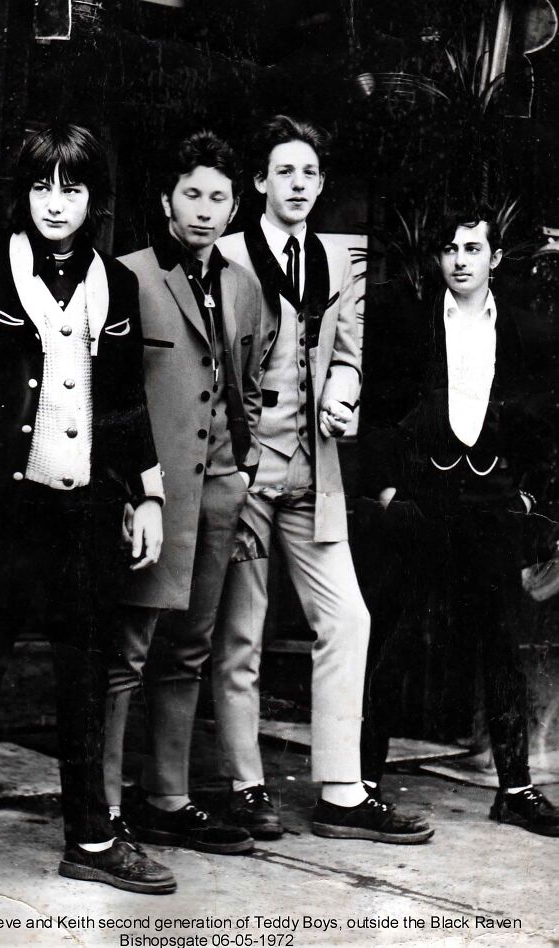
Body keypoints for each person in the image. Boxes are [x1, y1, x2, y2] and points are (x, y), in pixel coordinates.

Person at [0, 123, 177, 914]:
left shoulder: (116, 286)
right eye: (42, 187)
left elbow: (126, 403)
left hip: (84, 511)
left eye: (74, 188)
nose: (57, 204)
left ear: (96, 198)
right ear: (22, 195)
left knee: (85, 677)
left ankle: (92, 840)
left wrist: (147, 495)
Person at [214, 115, 432, 843]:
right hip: (246, 474)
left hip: (316, 475)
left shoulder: (337, 261)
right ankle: (246, 787)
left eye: (309, 174)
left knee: (349, 618)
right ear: (259, 183)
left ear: (321, 183)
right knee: (240, 636)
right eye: (285, 172)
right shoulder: (226, 256)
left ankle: (341, 790)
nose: (299, 185)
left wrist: (344, 386)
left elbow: (347, 350)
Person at [360, 205, 559, 837]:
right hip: (425, 501)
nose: (460, 260)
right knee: (390, 636)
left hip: (491, 505)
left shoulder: (531, 331)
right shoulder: (410, 325)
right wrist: (389, 490)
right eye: (449, 250)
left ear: (494, 258)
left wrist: (529, 498)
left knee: (500, 642)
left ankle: (516, 788)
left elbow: (546, 426)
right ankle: (363, 779)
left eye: (473, 249)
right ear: (438, 258)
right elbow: (382, 407)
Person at [103, 131, 262, 859]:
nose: (204, 210)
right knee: (127, 650)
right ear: (167, 200)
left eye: (218, 197)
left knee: (191, 649)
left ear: (236, 205)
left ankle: (168, 796)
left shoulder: (242, 281)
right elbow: (110, 401)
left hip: (219, 494)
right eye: (192, 194)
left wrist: (245, 474)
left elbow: (248, 389)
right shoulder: (127, 275)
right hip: (149, 499)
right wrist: (131, 493)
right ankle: (102, 807)